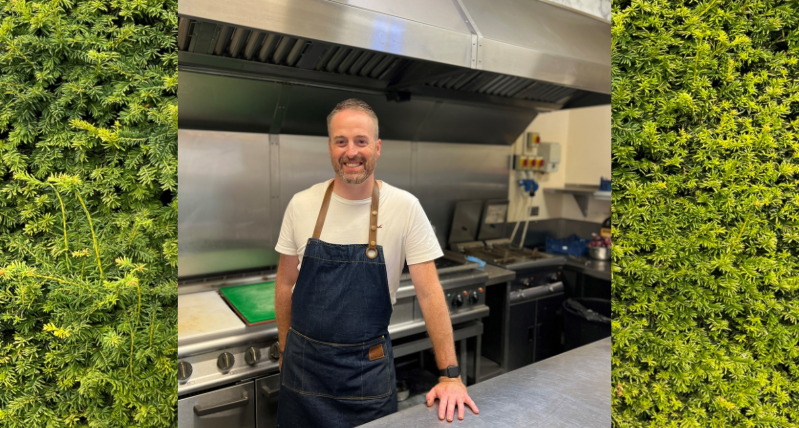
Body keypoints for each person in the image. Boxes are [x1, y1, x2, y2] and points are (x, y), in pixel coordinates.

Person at [274, 99, 479, 427]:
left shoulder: (405, 207)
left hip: (365, 379)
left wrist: (450, 375)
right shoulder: (301, 204)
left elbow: (430, 294)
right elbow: (285, 283)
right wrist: (284, 348)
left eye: (361, 141)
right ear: (330, 147)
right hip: (302, 374)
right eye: (341, 141)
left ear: (378, 147)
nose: (351, 151)